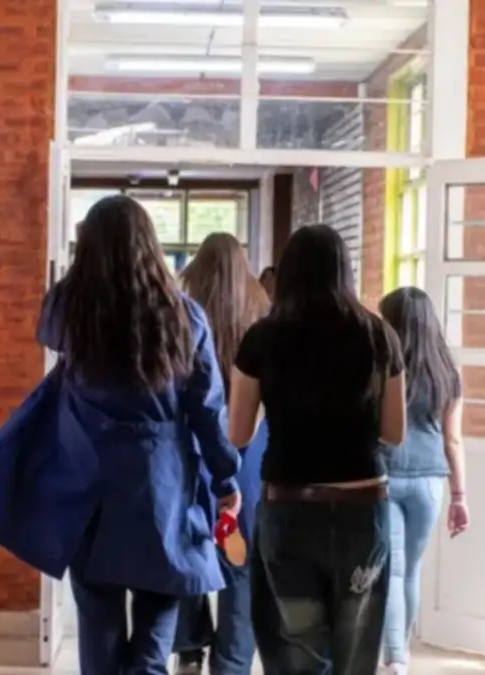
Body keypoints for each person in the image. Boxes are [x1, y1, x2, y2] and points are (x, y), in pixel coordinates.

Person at [37, 195, 242, 675]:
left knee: (99, 624)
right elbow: (206, 408)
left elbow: (50, 333)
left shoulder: (70, 310)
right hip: (160, 485)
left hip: (87, 481)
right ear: (151, 246)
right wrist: (225, 478)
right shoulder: (184, 316)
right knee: (156, 620)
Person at [227, 224, 406, 675]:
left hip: (290, 508)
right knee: (356, 650)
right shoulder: (379, 335)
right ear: (345, 271)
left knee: (297, 648)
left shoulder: (262, 337)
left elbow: (238, 433)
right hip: (363, 509)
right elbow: (394, 431)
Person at [172, 233, 272, 675]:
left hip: (190, 445)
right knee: (239, 559)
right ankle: (231, 665)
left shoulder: (181, 302)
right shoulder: (261, 306)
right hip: (248, 446)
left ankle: (189, 649)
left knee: (186, 548)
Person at [377, 287, 470, 675]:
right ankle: (401, 652)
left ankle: (395, 659)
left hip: (384, 475)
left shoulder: (380, 364)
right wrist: (459, 496)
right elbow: (453, 439)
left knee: (392, 571)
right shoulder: (447, 370)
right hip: (430, 481)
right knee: (410, 570)